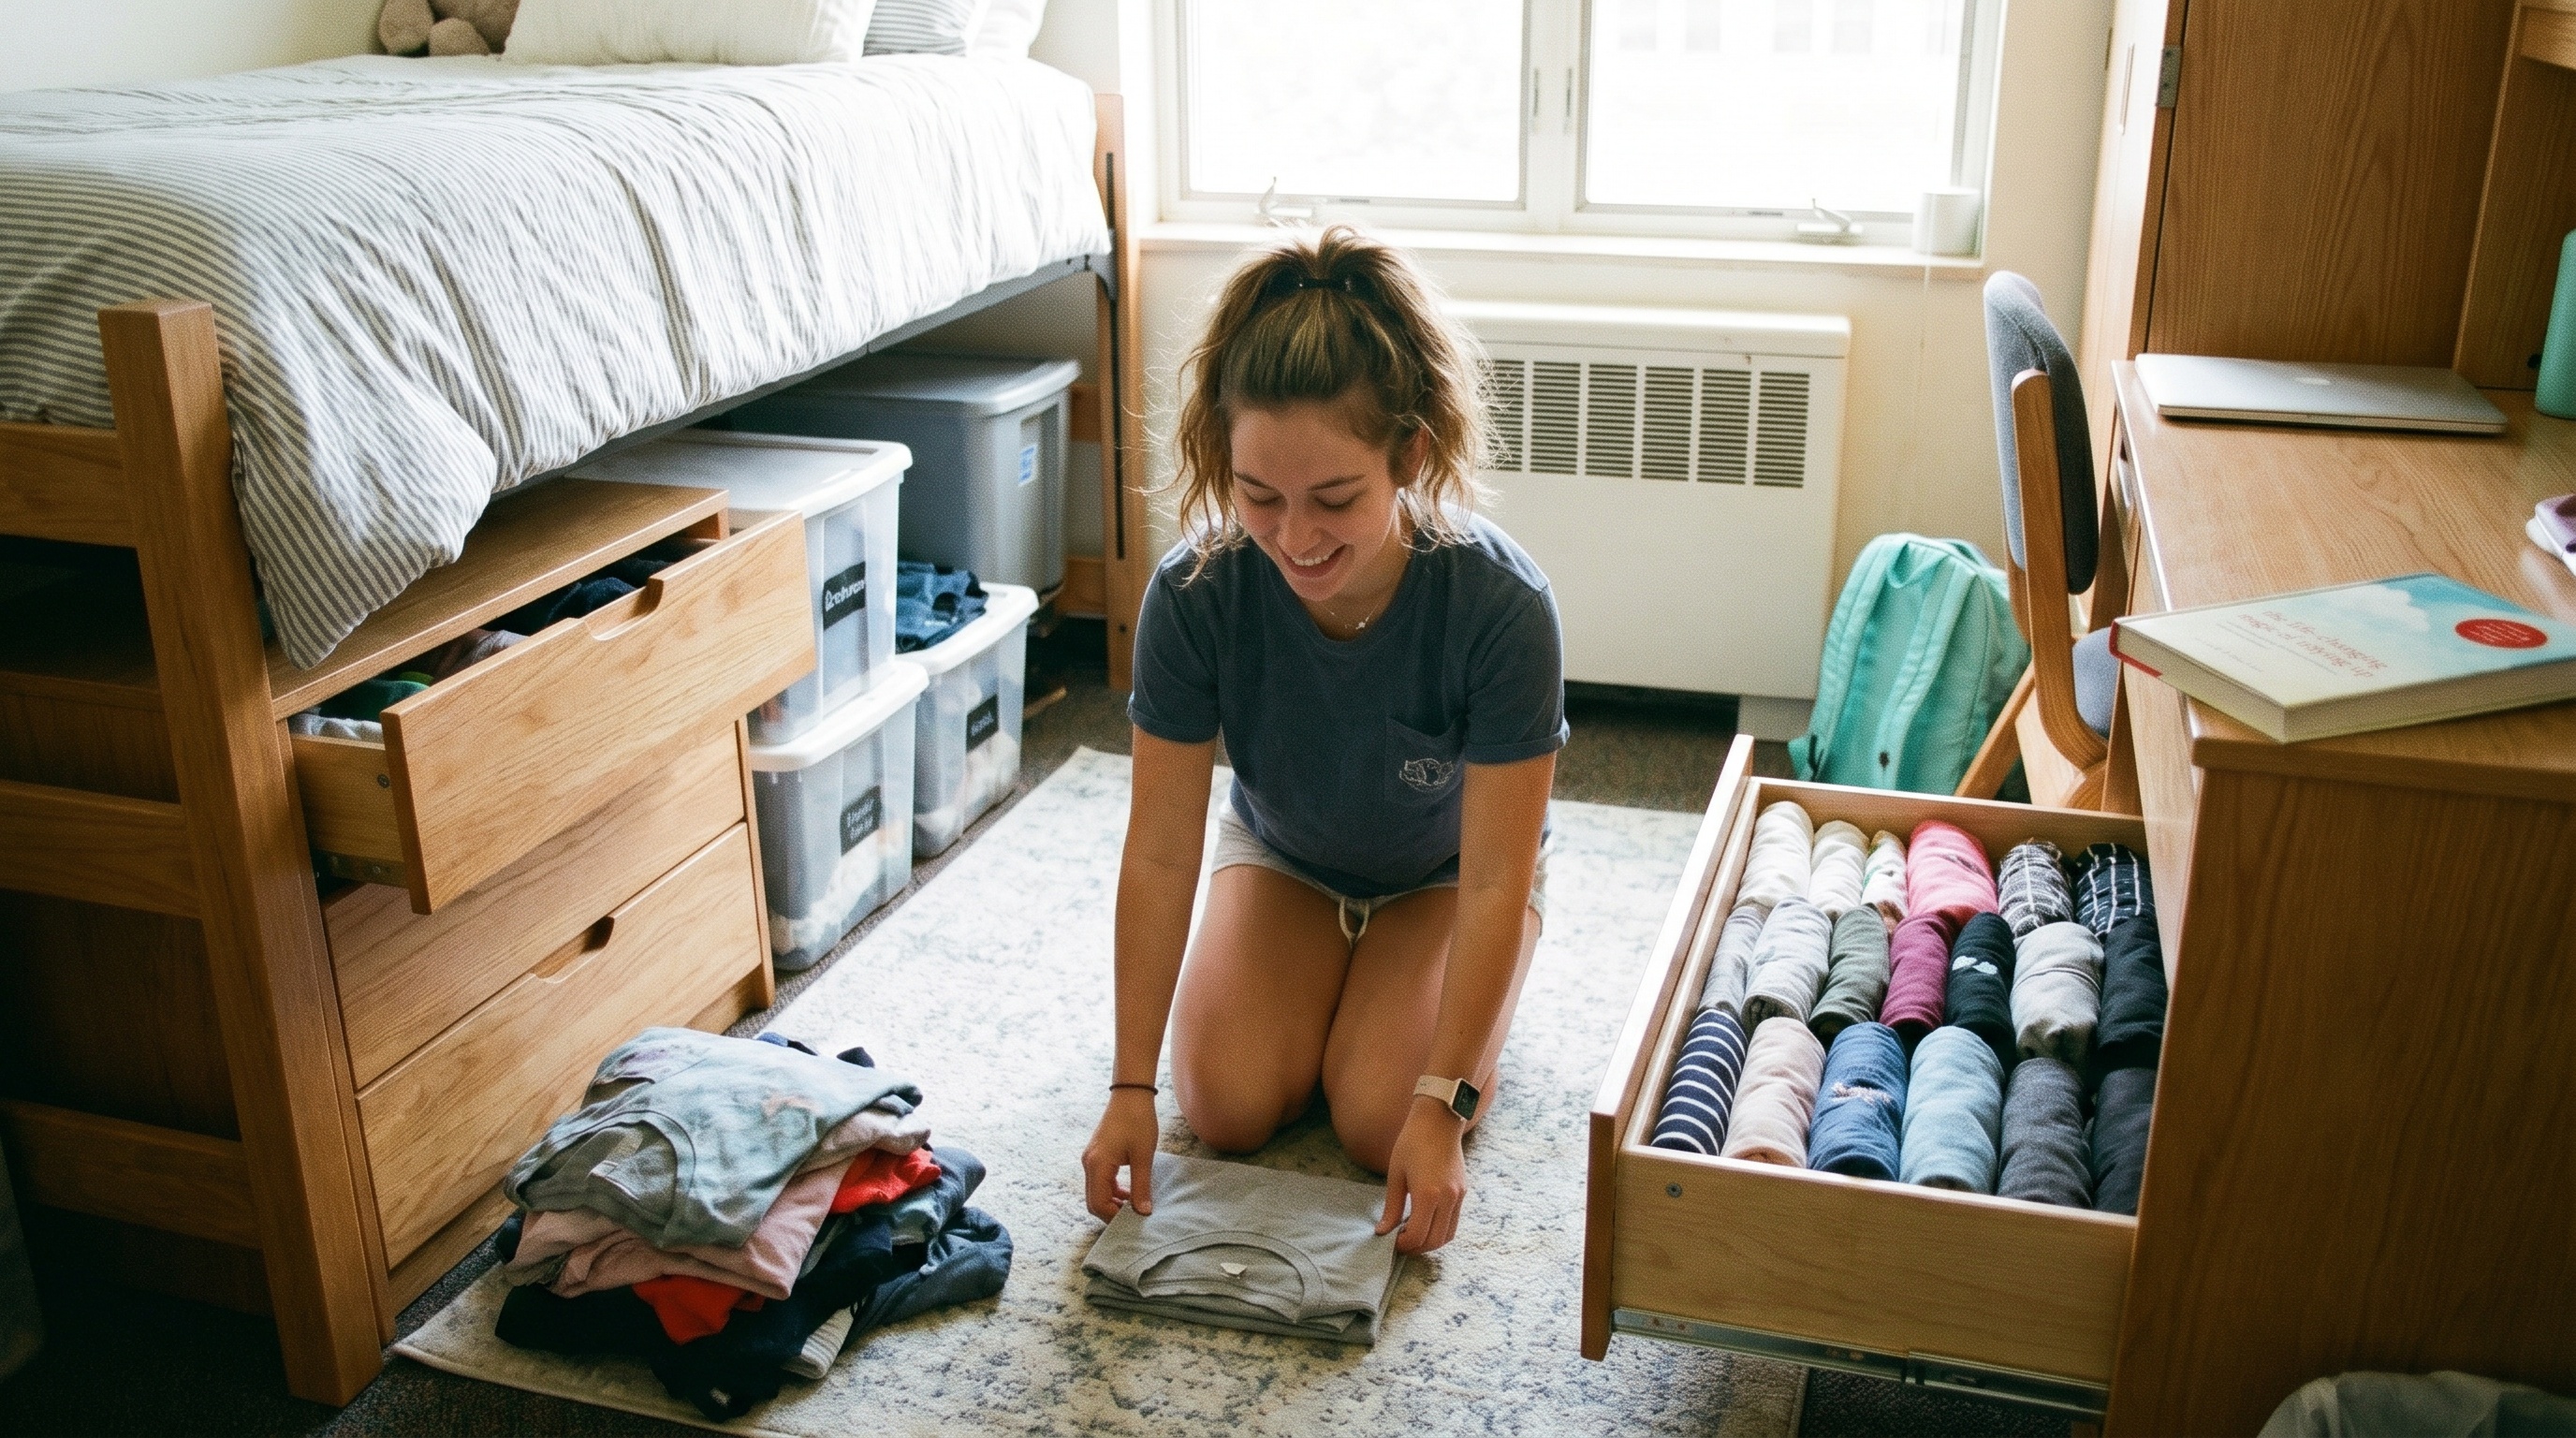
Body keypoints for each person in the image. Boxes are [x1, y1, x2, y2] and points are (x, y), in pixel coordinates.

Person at [1078, 227, 1565, 1255]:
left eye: (1335, 499)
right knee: (1227, 1108)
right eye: (1260, 496)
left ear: (1410, 457)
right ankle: (1344, 991)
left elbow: (1488, 877)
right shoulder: (1195, 592)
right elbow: (1161, 851)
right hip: (1288, 856)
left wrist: (1441, 1107)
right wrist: (1129, 1085)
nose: (1296, 538)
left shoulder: (1500, 604)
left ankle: (1472, 986)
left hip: (1447, 876)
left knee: (1380, 1120)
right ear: (1225, 461)